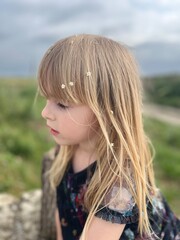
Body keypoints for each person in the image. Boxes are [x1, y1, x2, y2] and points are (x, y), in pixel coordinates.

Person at [38, 34, 180, 240]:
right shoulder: (66, 152)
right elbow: (63, 216)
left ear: (105, 109)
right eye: (46, 99)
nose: (45, 113)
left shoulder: (119, 184)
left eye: (62, 104)